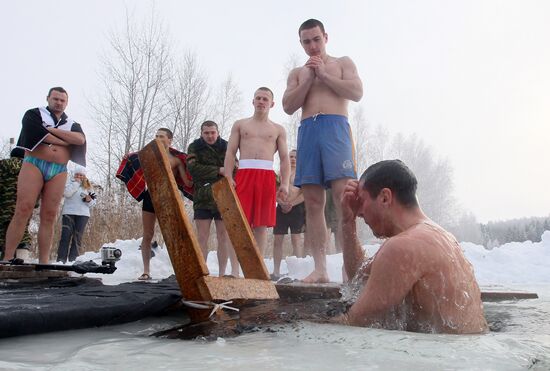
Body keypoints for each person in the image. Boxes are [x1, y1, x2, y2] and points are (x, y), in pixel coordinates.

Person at [336, 160, 488, 334]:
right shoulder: (441, 237)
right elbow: (358, 278)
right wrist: (348, 222)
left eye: (361, 201)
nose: (359, 212)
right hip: (461, 351)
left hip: (443, 357)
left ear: (385, 197)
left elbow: (353, 323)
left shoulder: (402, 247)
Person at [282, 19, 363, 283]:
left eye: (316, 39)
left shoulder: (342, 63)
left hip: (335, 128)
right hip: (308, 131)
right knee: (313, 202)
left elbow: (357, 92)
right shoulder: (298, 72)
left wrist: (325, 75)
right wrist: (308, 79)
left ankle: (349, 267)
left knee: (344, 198)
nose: (312, 46)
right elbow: (287, 106)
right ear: (301, 43)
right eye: (306, 41)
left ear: (325, 37)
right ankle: (320, 268)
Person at [3, 87, 86, 264]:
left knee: (49, 215)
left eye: (62, 100)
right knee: (23, 209)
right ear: (48, 98)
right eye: (55, 99)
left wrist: (52, 131)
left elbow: (80, 139)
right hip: (35, 164)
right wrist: (65, 140)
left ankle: (44, 261)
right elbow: (36, 133)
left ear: (67, 102)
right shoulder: (34, 114)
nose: (59, 102)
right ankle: (8, 257)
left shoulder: (71, 123)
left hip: (58, 169)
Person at [116, 127, 193, 281]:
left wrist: (193, 168)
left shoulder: (176, 159)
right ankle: (146, 271)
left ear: (169, 140)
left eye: (162, 136)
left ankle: (182, 272)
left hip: (169, 198)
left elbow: (187, 182)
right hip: (150, 196)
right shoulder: (147, 155)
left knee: (176, 235)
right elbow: (133, 159)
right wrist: (128, 157)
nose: (158, 138)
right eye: (156, 136)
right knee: (148, 234)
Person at [224, 87, 290, 256]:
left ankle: (258, 269)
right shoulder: (240, 124)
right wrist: (228, 176)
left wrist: (284, 183)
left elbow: (284, 158)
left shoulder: (278, 129)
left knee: (261, 226)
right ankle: (234, 270)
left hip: (266, 176)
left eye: (265, 99)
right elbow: (230, 152)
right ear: (253, 101)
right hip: (244, 174)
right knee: (239, 223)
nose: (261, 101)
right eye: (258, 98)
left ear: (272, 104)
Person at [187, 120, 240, 277]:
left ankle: (223, 274)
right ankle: (202, 272)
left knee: (223, 237)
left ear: (217, 132)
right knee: (202, 237)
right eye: (206, 133)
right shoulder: (194, 146)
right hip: (202, 197)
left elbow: (235, 167)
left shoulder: (226, 146)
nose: (210, 136)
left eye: (212, 132)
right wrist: (219, 170)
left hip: (223, 197)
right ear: (201, 133)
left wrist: (226, 171)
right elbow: (193, 169)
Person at [271, 149, 304, 280]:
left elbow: (305, 194)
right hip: (281, 208)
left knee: (296, 240)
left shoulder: (302, 174)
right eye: (290, 157)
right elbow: (273, 191)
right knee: (277, 240)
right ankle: (276, 271)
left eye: (295, 157)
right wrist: (281, 203)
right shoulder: (280, 174)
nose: (293, 159)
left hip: (297, 208)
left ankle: (298, 271)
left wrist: (291, 204)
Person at [56, 166, 96, 263]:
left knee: (77, 238)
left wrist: (89, 200)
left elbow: (93, 204)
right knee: (65, 236)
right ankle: (61, 260)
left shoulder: (89, 187)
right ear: (74, 175)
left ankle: (73, 260)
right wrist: (76, 183)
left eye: (81, 175)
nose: (79, 176)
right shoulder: (69, 183)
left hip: (83, 215)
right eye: (77, 174)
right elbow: (67, 194)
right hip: (69, 213)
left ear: (84, 176)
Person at [0, 148, 33, 261]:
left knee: (2, 231)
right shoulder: (30, 168)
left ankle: (3, 260)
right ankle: (22, 258)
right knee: (22, 229)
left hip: (4, 206)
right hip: (24, 205)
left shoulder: (2, 165)